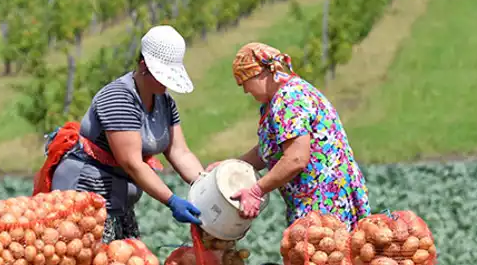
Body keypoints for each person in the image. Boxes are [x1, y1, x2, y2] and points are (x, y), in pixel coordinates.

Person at [35, 25, 205, 242]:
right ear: (144, 66)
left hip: (120, 198)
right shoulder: (119, 98)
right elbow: (132, 163)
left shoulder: (165, 102)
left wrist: (204, 186)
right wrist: (171, 201)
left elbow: (180, 152)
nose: (166, 82)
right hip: (86, 194)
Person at [226, 42, 370, 230]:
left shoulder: (290, 99)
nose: (245, 90)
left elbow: (296, 158)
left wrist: (256, 191)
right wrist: (228, 167)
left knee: (327, 256)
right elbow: (267, 151)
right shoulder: (276, 100)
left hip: (325, 206)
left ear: (260, 74)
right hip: (310, 206)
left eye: (244, 82)